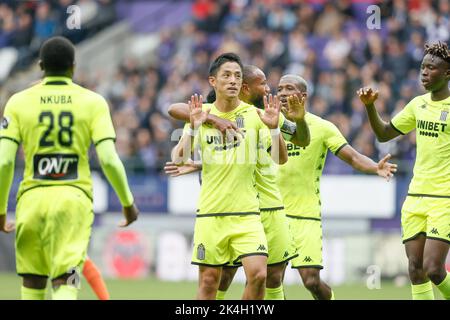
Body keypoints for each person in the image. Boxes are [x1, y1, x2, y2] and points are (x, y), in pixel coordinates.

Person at [0, 36, 139, 300]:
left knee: (32, 283)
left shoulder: (18, 102)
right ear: (74, 67)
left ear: (40, 66)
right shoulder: (93, 102)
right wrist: (127, 202)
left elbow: (5, 161)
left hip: (30, 202)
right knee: (66, 282)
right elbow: (109, 159)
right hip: (72, 202)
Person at [166, 65, 310, 300]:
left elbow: (300, 140)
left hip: (264, 206)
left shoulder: (264, 115)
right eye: (262, 84)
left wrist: (300, 119)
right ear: (246, 88)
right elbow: (175, 108)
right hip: (229, 207)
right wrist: (211, 122)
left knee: (270, 276)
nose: (268, 89)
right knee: (219, 278)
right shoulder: (208, 112)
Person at [276, 74, 397, 300]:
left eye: (289, 88)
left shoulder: (322, 127)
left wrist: (374, 168)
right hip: (272, 213)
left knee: (311, 280)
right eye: (279, 89)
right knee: (273, 279)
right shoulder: (267, 124)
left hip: (305, 214)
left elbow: (351, 156)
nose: (282, 93)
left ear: (303, 96)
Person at [358, 41, 450, 300]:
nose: (425, 73)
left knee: (434, 268)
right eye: (423, 67)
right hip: (416, 196)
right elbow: (384, 133)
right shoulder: (418, 105)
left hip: (445, 199)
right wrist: (369, 106)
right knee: (415, 269)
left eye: (432, 68)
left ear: (447, 74)